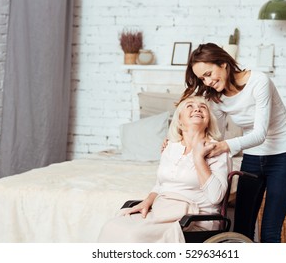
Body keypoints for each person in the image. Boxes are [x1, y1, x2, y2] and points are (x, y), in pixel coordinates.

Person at [179, 42, 286, 243]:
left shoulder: (259, 81)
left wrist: (225, 146)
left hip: (283, 157)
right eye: (202, 78)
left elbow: (260, 134)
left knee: (269, 231)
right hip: (252, 157)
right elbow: (214, 134)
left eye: (208, 74)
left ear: (224, 64)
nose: (207, 82)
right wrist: (177, 142)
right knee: (242, 228)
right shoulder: (217, 96)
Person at [99, 96, 230, 243]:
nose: (197, 108)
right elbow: (160, 184)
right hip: (163, 210)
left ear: (209, 121)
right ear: (179, 121)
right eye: (190, 106)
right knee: (111, 227)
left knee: (134, 236)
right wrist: (147, 201)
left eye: (203, 107)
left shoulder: (217, 149)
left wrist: (199, 158)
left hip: (194, 218)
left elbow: (216, 196)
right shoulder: (170, 147)